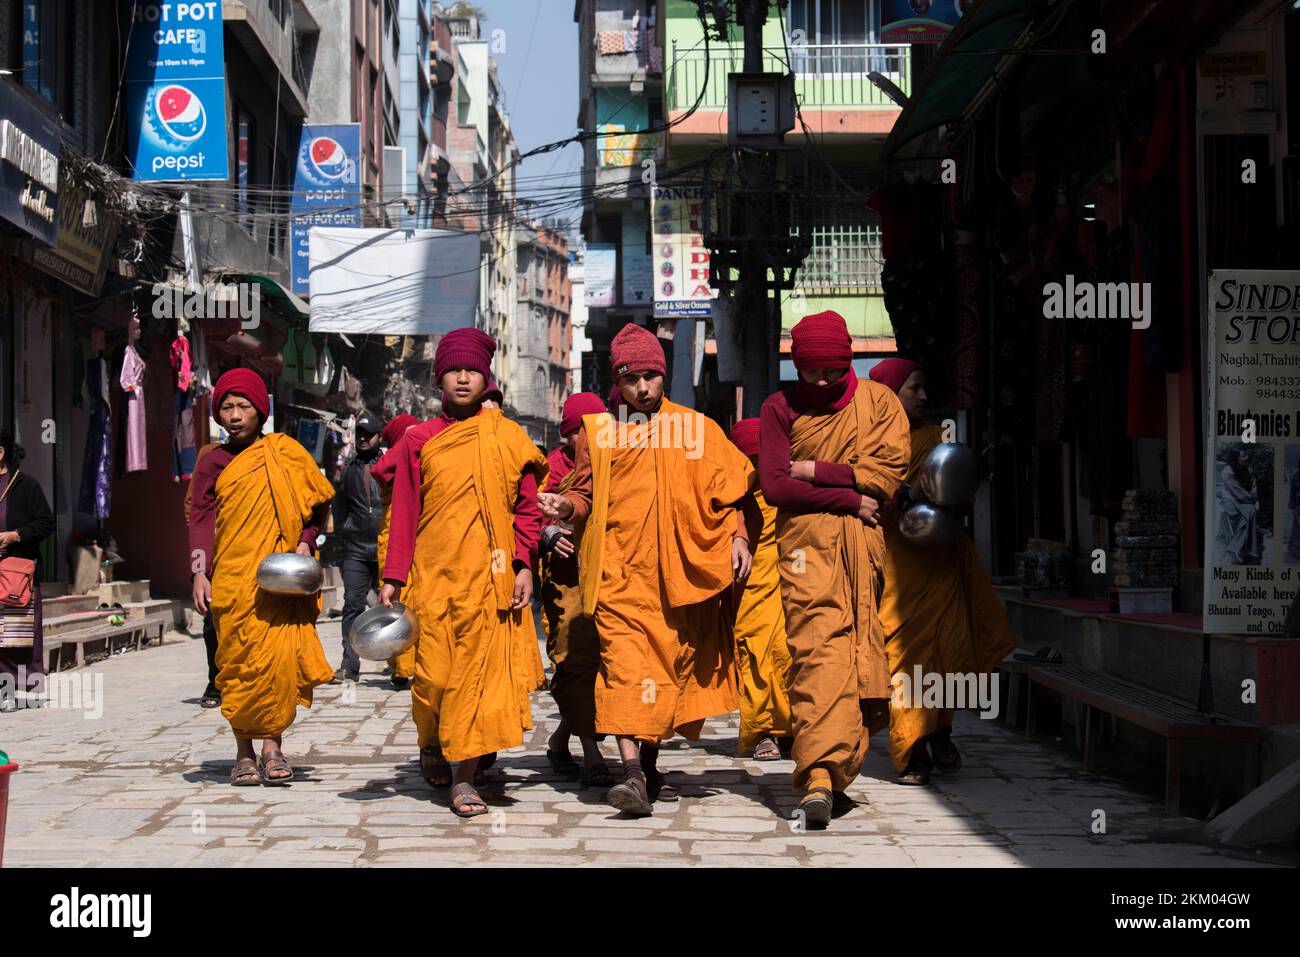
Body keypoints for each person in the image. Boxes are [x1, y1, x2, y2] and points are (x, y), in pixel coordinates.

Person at [538, 323, 754, 817]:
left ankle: (650, 766)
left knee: (661, 674)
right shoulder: (601, 433)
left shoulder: (695, 430)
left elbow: (731, 490)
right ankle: (633, 776)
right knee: (623, 670)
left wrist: (739, 536)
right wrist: (564, 509)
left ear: (664, 376)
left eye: (651, 376)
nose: (642, 388)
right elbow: (585, 495)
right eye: (631, 378)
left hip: (674, 579)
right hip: (618, 574)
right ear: (618, 382)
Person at [376, 329, 547, 818]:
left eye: (473, 369)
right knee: (432, 678)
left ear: (486, 377)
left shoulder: (507, 437)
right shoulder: (419, 441)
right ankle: (431, 740)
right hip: (432, 577)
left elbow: (526, 509)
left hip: (488, 579)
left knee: (474, 678)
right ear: (439, 380)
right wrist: (393, 576)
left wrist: (522, 565)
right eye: (454, 370)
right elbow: (404, 510)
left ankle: (464, 778)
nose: (464, 377)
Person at [759, 310, 910, 829]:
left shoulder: (879, 403)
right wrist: (847, 497)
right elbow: (776, 486)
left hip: (862, 552)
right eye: (810, 373)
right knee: (818, 653)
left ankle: (836, 771)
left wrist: (819, 471)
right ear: (795, 366)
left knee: (857, 652)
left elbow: (889, 474)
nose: (820, 383)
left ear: (848, 362)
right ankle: (819, 774)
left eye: (831, 372)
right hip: (806, 551)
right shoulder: (779, 407)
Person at [869, 359, 1016, 785]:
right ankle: (912, 749)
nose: (924, 397)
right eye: (914, 388)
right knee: (904, 659)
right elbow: (865, 496)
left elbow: (961, 495)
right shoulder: (869, 445)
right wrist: (903, 494)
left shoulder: (938, 440)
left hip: (943, 563)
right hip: (898, 570)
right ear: (888, 395)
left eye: (923, 388)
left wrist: (947, 494)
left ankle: (940, 731)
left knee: (948, 653)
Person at [189, 368, 335, 785]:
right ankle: (243, 752)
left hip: (279, 578)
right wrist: (200, 571)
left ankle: (273, 747)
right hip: (234, 579)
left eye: (244, 406)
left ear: (261, 411)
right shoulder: (211, 462)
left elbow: (317, 503)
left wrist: (307, 541)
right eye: (227, 407)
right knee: (237, 665)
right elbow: (199, 518)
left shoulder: (286, 454)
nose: (235, 415)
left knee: (277, 664)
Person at [538, 391, 612, 788]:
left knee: (603, 663)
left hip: (607, 575)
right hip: (565, 578)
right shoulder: (550, 466)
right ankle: (593, 753)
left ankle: (559, 738)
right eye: (579, 433)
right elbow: (525, 514)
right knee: (575, 658)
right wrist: (549, 533)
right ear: (567, 435)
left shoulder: (613, 460)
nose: (587, 440)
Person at [729, 418, 793, 761]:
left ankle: (789, 727)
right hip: (748, 581)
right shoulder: (730, 492)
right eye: (748, 461)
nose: (756, 468)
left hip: (789, 574)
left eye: (760, 460)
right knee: (754, 652)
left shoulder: (785, 483)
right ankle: (762, 731)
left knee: (787, 653)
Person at [0, 430, 54, 708]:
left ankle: (28, 684)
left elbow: (46, 523)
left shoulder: (25, 485)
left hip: (18, 572)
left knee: (20, 632)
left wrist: (15, 535)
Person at [331, 413, 386, 685]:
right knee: (352, 604)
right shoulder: (348, 471)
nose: (363, 439)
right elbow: (339, 509)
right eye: (360, 434)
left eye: (369, 434)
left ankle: (398, 665)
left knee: (392, 606)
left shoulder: (388, 466)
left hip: (384, 547)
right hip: (355, 549)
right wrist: (341, 541)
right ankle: (349, 665)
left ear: (379, 436)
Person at [373, 414, 422, 688]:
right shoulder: (392, 458)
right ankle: (402, 667)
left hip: (421, 532)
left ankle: (420, 660)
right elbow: (379, 471)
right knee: (399, 599)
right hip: (395, 534)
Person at [184, 440, 222, 708]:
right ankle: (216, 681)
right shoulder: (209, 456)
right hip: (217, 555)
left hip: (257, 551)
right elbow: (194, 508)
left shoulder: (269, 451)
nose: (235, 415)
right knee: (212, 623)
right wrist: (201, 566)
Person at [1215, 449, 1261, 565]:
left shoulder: (1248, 470)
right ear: (1236, 459)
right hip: (1230, 498)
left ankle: (1238, 549)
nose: (1247, 457)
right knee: (1239, 515)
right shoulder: (1227, 472)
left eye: (1246, 455)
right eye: (1243, 456)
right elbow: (1237, 490)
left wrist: (1255, 499)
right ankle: (1237, 549)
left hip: (1244, 499)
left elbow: (1253, 487)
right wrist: (1251, 498)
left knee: (1250, 512)